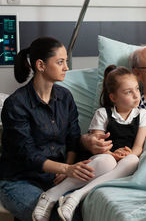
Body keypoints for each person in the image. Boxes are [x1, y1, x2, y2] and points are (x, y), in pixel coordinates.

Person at [32, 65, 146, 221]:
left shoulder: (143, 115)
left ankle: (76, 196)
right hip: (101, 160)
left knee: (134, 160)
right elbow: (97, 146)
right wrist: (111, 154)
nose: (136, 95)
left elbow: (138, 148)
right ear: (113, 97)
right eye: (128, 92)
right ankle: (51, 194)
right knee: (107, 161)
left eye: (137, 89)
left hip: (124, 163)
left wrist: (126, 154)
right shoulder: (103, 114)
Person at [0, 37, 94, 221]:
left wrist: (65, 169)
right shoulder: (16, 104)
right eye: (60, 62)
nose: (66, 67)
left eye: (66, 61)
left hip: (57, 177)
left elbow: (73, 139)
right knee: (56, 217)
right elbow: (28, 155)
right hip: (20, 180)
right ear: (41, 65)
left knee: (83, 210)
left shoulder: (65, 97)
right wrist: (66, 168)